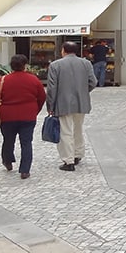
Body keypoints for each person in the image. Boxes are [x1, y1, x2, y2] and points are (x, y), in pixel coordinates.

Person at [0, 54, 46, 180]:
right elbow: (42, 96)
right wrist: (36, 109)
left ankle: (7, 161)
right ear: (25, 65)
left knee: (8, 140)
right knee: (26, 142)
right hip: (28, 115)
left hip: (7, 115)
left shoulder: (3, 80)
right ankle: (25, 170)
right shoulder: (33, 80)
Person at [46, 41, 97, 171]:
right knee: (78, 128)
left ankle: (68, 160)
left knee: (66, 131)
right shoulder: (86, 63)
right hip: (81, 102)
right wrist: (83, 92)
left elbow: (52, 87)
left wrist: (50, 105)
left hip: (63, 102)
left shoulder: (55, 65)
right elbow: (93, 82)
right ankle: (78, 154)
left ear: (63, 50)